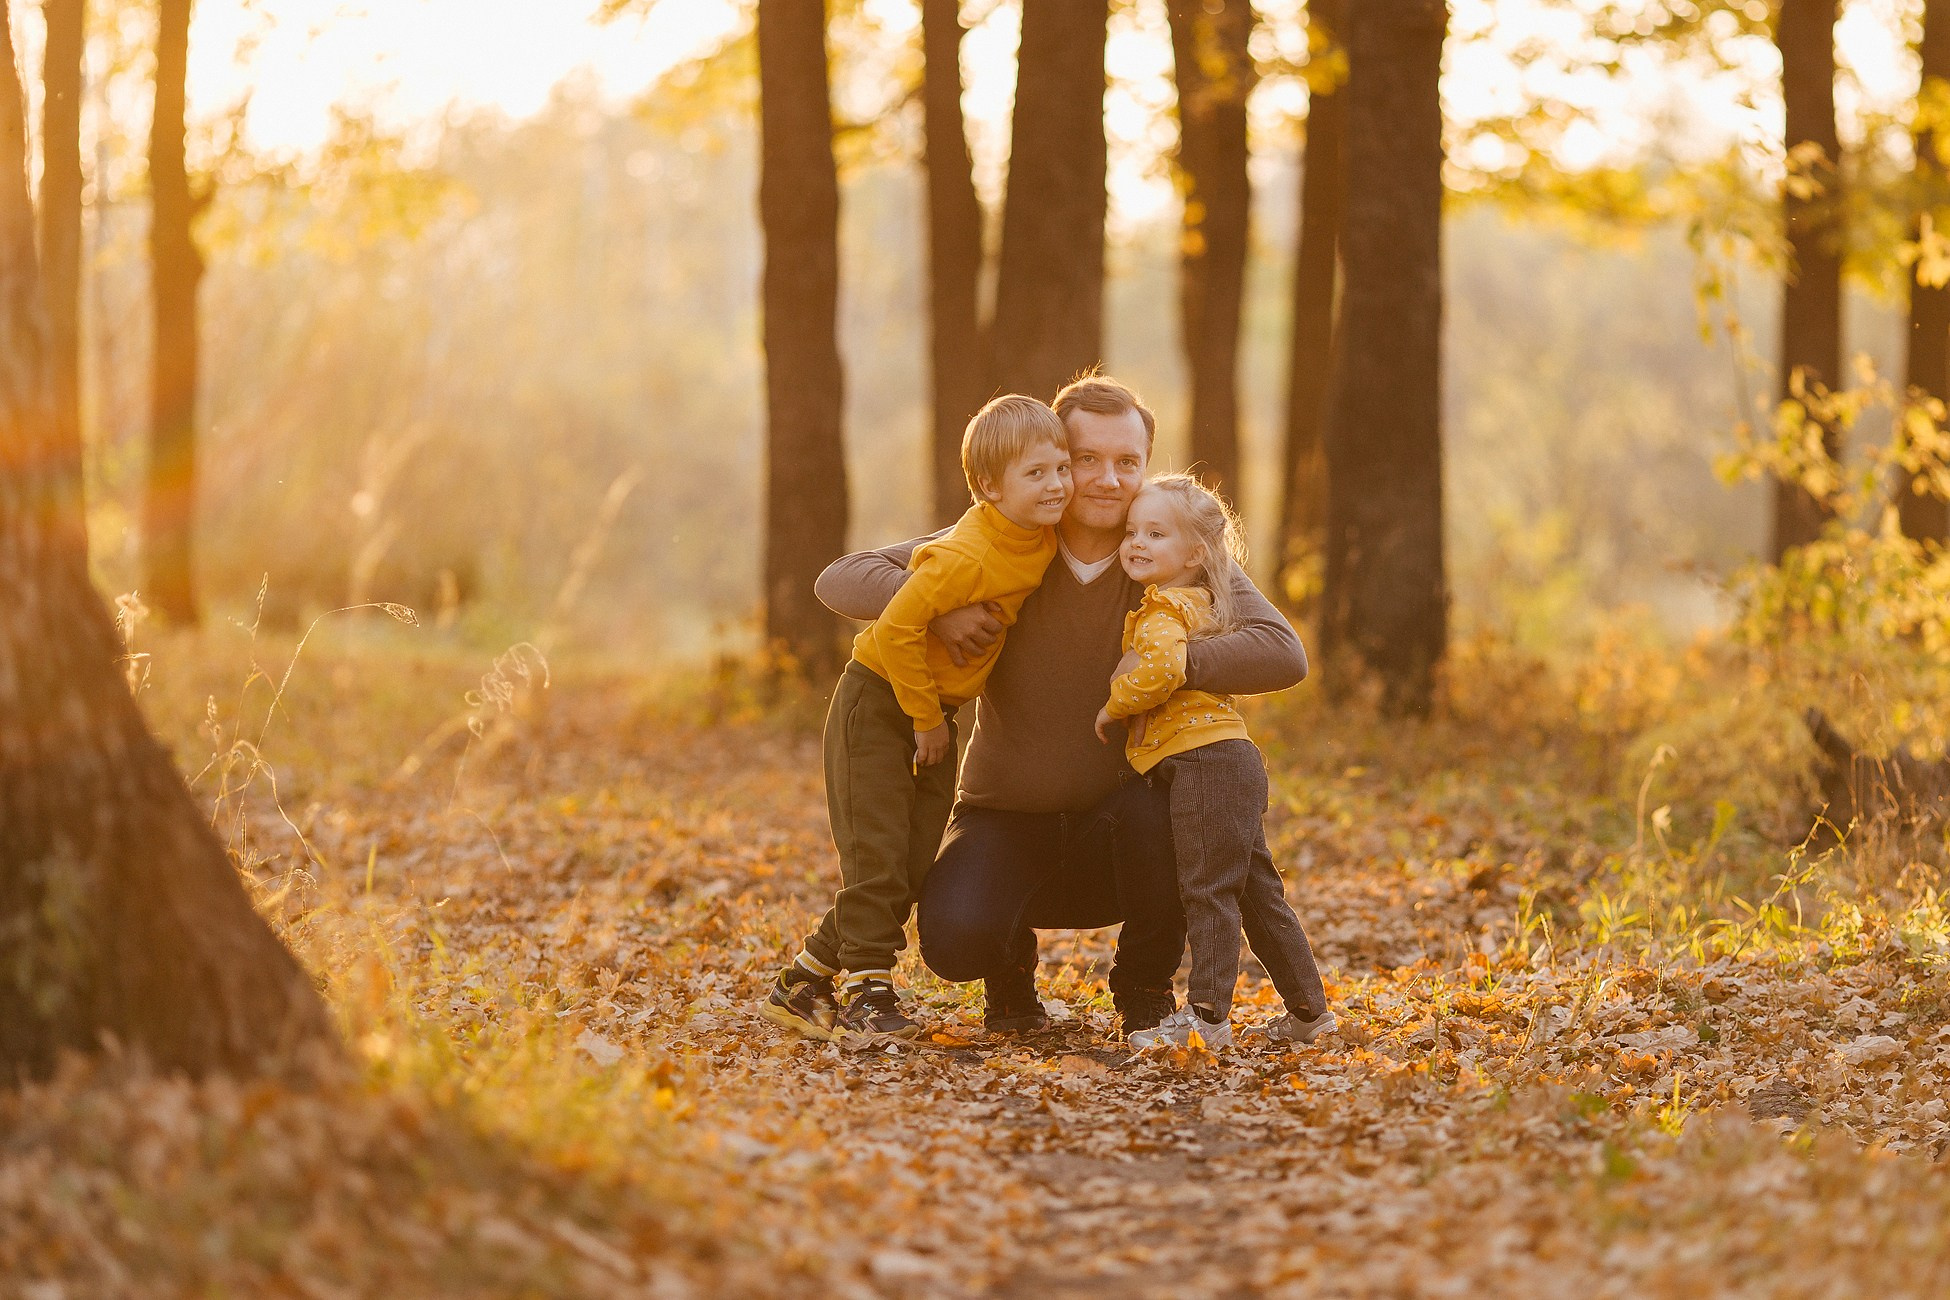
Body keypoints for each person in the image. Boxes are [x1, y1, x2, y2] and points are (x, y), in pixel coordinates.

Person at [814, 375, 1307, 1036]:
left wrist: (1177, 662)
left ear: (1145, 466)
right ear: (1051, 461)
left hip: (1125, 824)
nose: (1107, 479)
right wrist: (942, 611)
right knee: (955, 941)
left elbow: (1282, 650)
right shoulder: (1005, 539)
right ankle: (1011, 978)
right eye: (1086, 460)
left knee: (1178, 806)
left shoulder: (1165, 553)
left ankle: (1144, 990)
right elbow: (841, 576)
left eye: (1127, 462)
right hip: (1007, 813)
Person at [760, 395, 1072, 1041]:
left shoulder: (1041, 539)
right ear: (990, 487)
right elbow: (897, 627)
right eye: (1036, 474)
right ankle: (868, 996)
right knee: (875, 860)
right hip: (879, 704)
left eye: (1062, 468)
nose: (1058, 484)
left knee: (910, 866)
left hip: (936, 714)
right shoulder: (962, 554)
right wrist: (926, 718)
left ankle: (804, 978)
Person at [1095, 474, 1335, 1050]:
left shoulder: (1164, 609)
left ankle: (1207, 1018)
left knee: (1207, 891)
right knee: (1254, 890)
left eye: (1155, 533)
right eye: (1132, 531)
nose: (1136, 542)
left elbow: (1159, 672)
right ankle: (1310, 1013)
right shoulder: (1202, 601)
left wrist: (1113, 705)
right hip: (1229, 758)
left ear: (1196, 553)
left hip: (1203, 762)